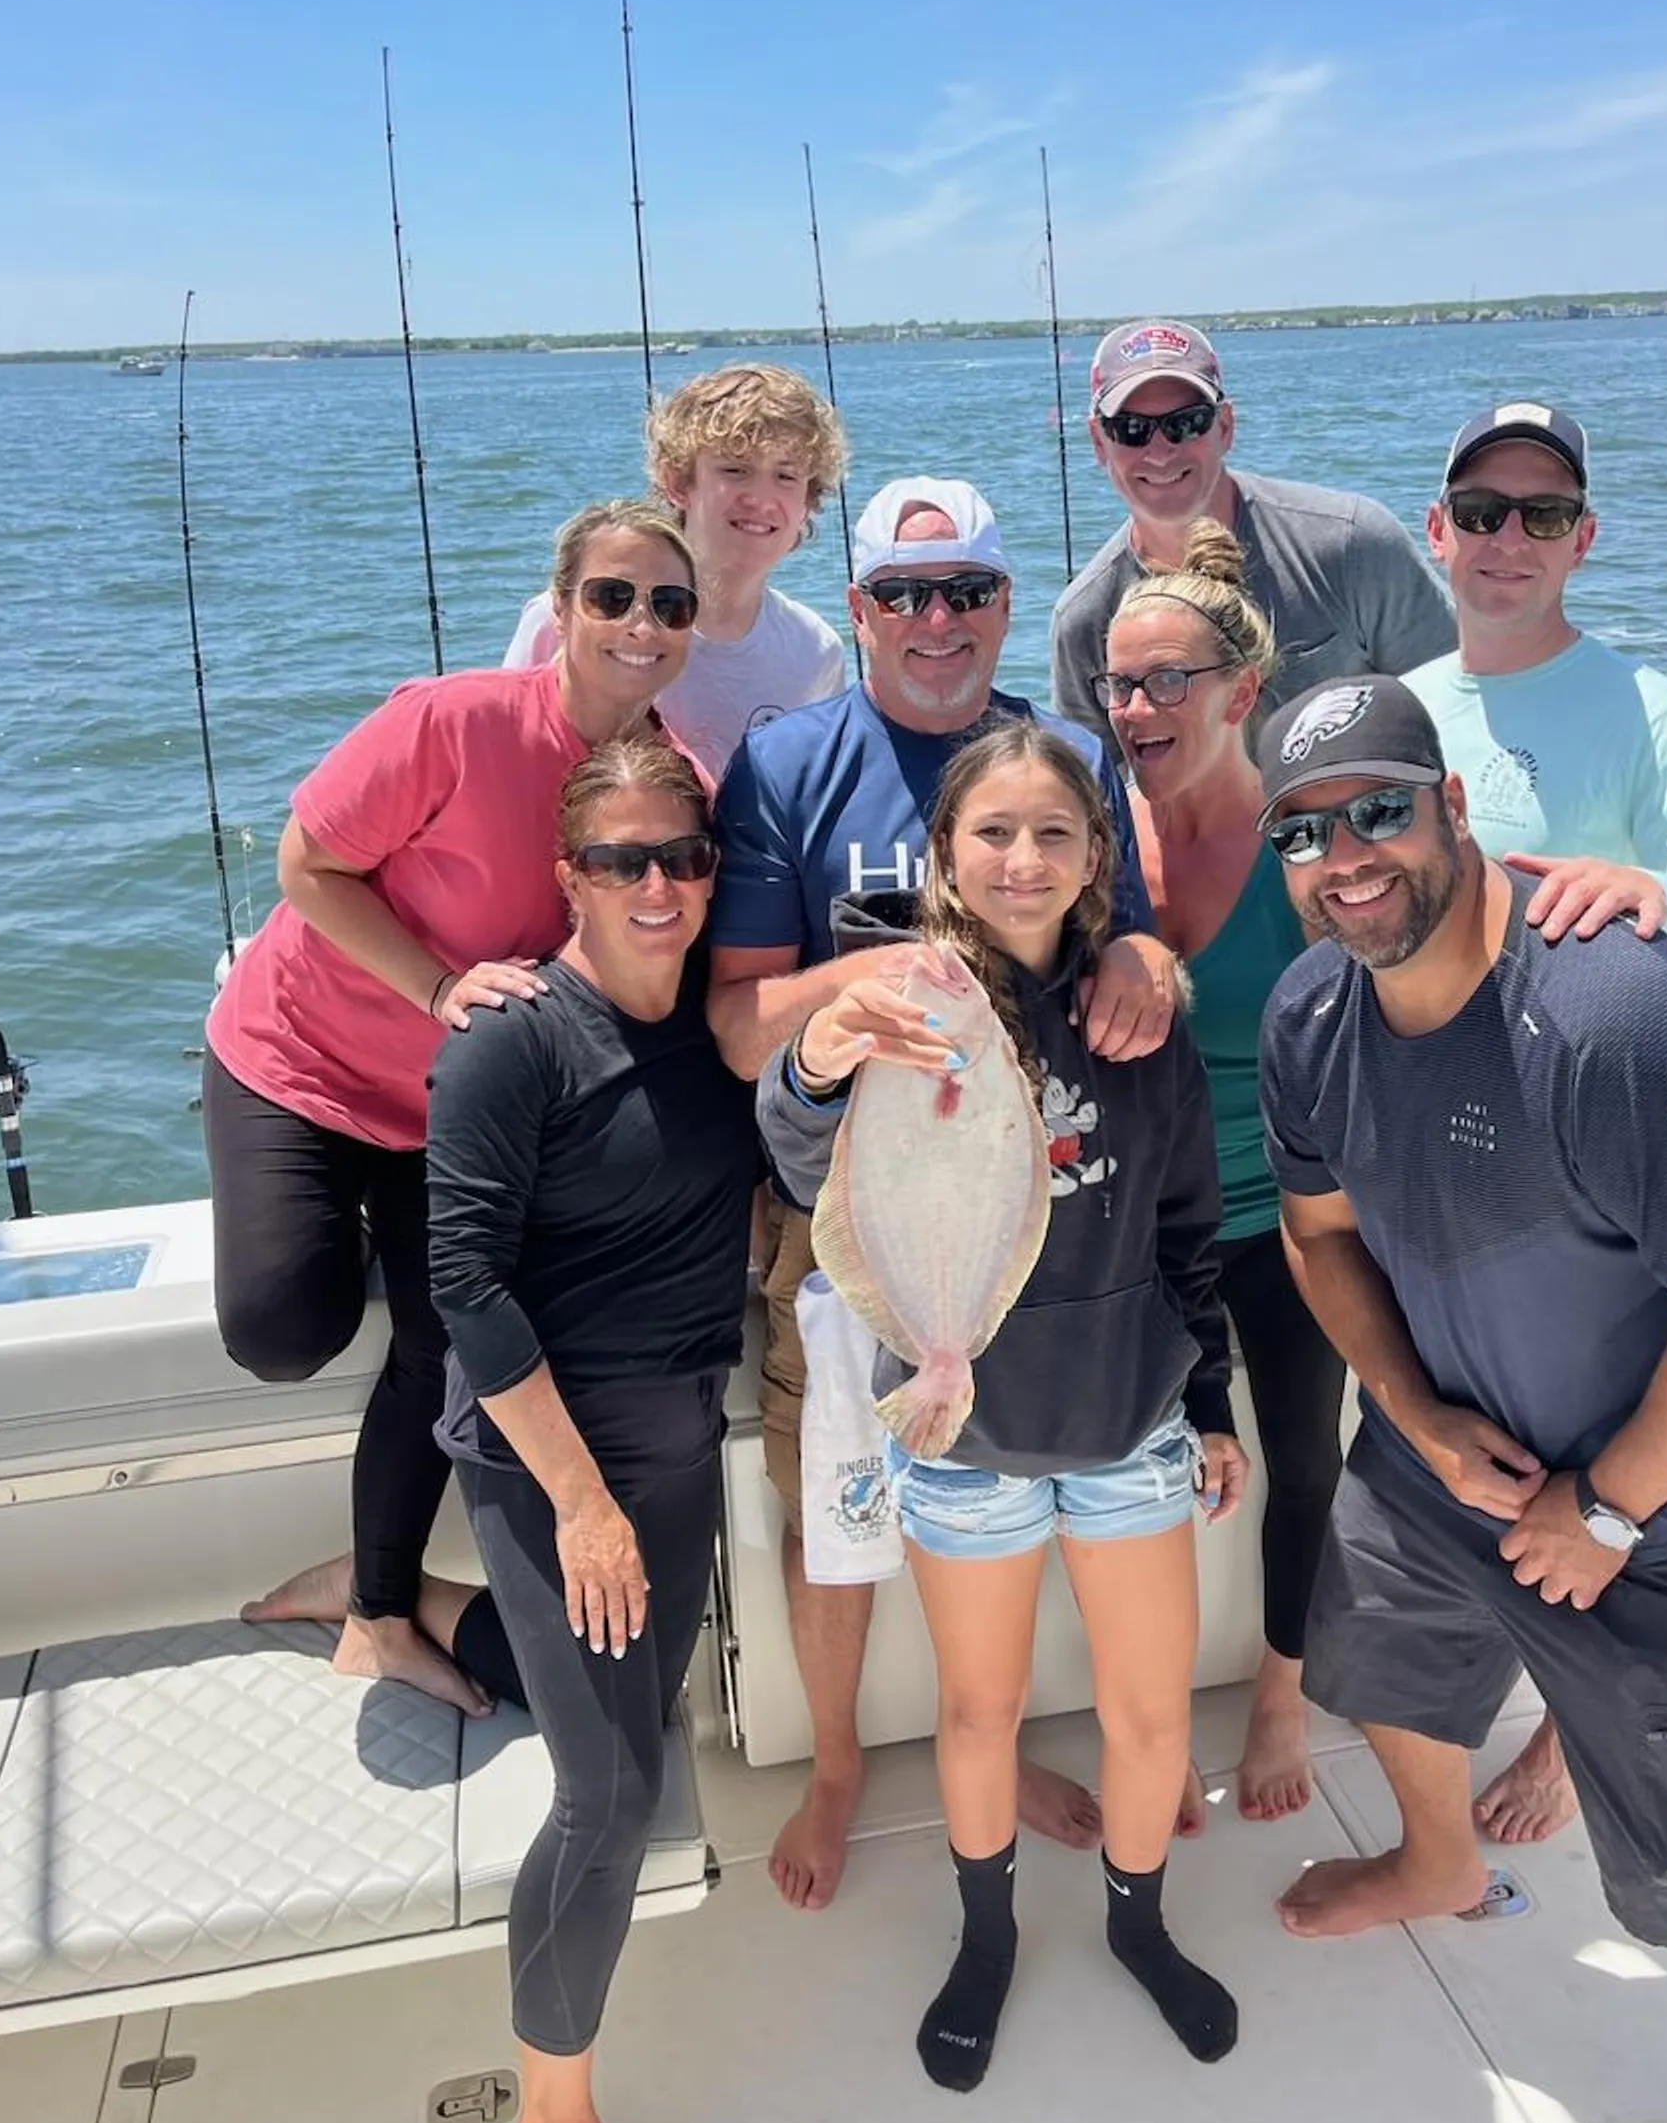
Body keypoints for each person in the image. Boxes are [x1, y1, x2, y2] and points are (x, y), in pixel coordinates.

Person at [1255, 675, 1667, 2123]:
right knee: (1376, 1648)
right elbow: (1319, 1245)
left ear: (1457, 807)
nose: (1344, 856)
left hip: (1665, 1502)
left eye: (1379, 808)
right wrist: (1416, 1413)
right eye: (1304, 832)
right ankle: (1438, 1853)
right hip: (1448, 1443)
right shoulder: (1312, 1013)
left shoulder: (1613, 1012)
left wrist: (1603, 1510)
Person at [708, 474, 1183, 1912]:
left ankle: (997, 1743)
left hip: (1035, 1205)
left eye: (966, 592)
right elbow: (740, 1027)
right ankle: (841, 1760)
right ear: (856, 612)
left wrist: (1142, 967)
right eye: (903, 596)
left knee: (1008, 1472)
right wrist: (884, 979)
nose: (936, 621)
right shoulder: (787, 762)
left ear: (1003, 607)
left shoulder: (1067, 760)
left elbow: (1139, 943)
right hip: (848, 1195)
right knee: (838, 1496)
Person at [759, 721, 1248, 2093]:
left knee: (1149, 1717)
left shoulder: (1136, 1012)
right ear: (942, 853)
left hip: (1127, 1430)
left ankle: (1141, 1926)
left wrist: (1207, 1400)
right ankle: (987, 1941)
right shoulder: (906, 1002)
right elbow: (808, 1161)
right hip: (960, 1435)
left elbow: (1187, 1225)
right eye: (992, 833)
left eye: (1054, 833)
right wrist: (815, 1059)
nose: (1023, 860)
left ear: (1099, 855)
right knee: (980, 1715)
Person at [1405, 400, 1667, 1846]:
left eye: (1542, 511)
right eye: (1482, 508)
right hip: (1452, 1178)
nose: (1507, 537)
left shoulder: (1658, 713)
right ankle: (1534, 1712)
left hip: (1618, 1184)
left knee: (1629, 1475)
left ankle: (1582, 1749)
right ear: (1437, 529)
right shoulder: (1403, 704)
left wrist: (1658, 896)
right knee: (1495, 1476)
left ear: (1587, 538)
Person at [218, 499, 701, 1711]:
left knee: (444, 1333)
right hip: (298, 1059)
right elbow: (305, 866)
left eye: (670, 603)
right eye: (612, 596)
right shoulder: (451, 722)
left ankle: (378, 1603)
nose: (640, 624)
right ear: (561, 608)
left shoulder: (665, 786)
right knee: (283, 1330)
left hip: (447, 1110)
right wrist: (434, 984)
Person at [411, 736, 754, 2123]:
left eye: (682, 857)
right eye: (623, 861)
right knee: (611, 1790)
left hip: (678, 1440)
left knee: (638, 1712)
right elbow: (465, 1282)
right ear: (571, 878)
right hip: (551, 1458)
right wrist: (580, 1503)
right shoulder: (511, 1039)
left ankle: (417, 1615)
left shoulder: (719, 1034)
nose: (659, 886)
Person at [1099, 520, 1346, 1822]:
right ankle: (1142, 1725)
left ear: (1243, 693)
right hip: (1141, 1224)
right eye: (1119, 683)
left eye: (1167, 682)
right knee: (1141, 1470)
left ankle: (1277, 1695)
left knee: (1304, 1460)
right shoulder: (1085, 839)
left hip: (1298, 1218)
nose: (1137, 706)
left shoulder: (1312, 847)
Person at [1049, 318, 1453, 759]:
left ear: (1225, 426)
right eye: (1131, 428)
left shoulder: (1355, 544)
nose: (1160, 451)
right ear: (1097, 441)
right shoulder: (1082, 622)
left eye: (1187, 423)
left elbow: (1455, 707)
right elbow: (1095, 796)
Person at [503, 362, 847, 775]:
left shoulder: (816, 651)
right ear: (678, 483)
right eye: (735, 470)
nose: (761, 498)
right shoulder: (579, 615)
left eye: (786, 476)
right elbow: (507, 757)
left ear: (808, 500)